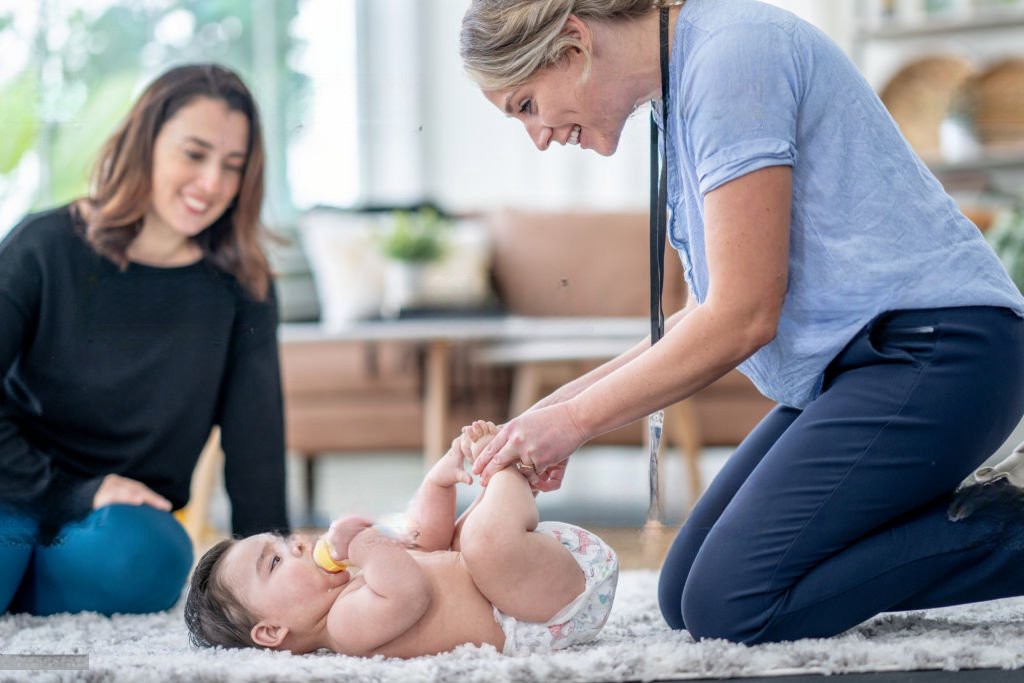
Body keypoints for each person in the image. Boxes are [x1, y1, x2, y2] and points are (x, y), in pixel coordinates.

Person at [459, 0, 1024, 645]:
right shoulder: (682, 85)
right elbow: (700, 315)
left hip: (942, 355)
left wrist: (572, 424)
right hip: (861, 368)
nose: (538, 136)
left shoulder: (732, 57)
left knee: (731, 604)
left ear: (573, 45)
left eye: (527, 105)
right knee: (682, 594)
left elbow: (743, 318)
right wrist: (537, 421)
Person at [0, 63, 288, 617]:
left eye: (232, 166)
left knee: (151, 558)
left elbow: (257, 444)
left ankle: (25, 586)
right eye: (194, 154)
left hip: (116, 525)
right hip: (13, 484)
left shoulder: (243, 286)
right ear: (145, 143)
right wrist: (75, 490)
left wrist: (273, 570)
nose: (212, 183)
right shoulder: (43, 246)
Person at [183, 421, 618, 657]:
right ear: (272, 631)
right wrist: (363, 544)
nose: (294, 543)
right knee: (481, 543)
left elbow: (422, 542)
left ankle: (503, 481)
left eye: (282, 539)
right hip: (540, 611)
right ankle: (509, 470)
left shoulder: (358, 582)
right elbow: (410, 591)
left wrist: (438, 483)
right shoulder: (344, 627)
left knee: (462, 543)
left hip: (529, 578)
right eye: (275, 561)